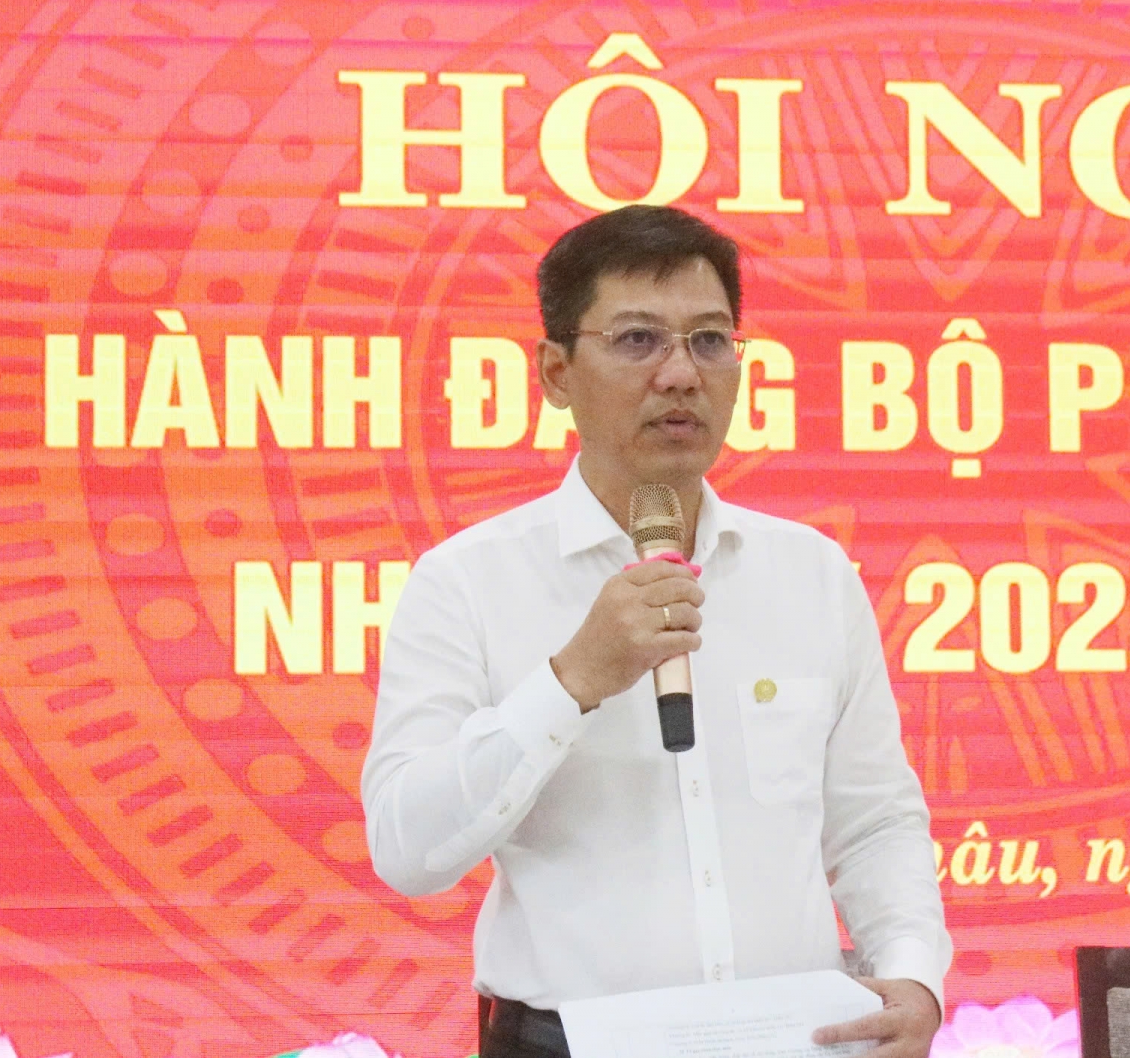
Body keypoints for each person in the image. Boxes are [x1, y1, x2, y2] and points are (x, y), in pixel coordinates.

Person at [361, 206, 950, 1058]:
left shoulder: (812, 573)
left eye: (709, 341)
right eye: (638, 340)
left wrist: (914, 975)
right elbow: (408, 850)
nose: (680, 374)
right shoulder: (467, 581)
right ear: (556, 372)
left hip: (795, 1041)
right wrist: (571, 681)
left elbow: (875, 822)